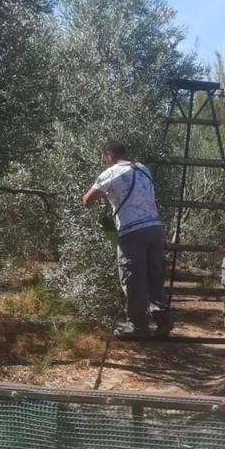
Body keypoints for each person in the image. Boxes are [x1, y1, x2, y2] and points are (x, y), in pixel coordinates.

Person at [82, 140, 173, 340]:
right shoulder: (143, 169)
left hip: (132, 230)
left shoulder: (111, 172)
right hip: (155, 228)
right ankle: (163, 321)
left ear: (109, 156)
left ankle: (138, 326)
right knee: (154, 275)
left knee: (133, 277)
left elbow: (87, 201)